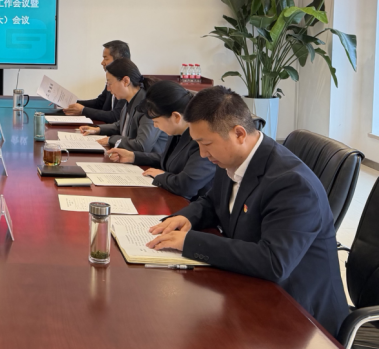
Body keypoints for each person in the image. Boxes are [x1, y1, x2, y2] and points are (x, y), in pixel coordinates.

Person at [147, 86, 349, 336]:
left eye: (206, 143)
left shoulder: (293, 184)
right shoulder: (231, 158)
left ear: (239, 134)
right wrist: (185, 217)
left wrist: (190, 242)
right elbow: (213, 202)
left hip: (301, 319)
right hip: (254, 291)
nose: (202, 154)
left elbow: (273, 262)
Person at [104, 81, 217, 200]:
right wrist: (133, 156)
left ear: (176, 117)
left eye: (156, 121)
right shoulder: (177, 132)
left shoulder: (201, 140)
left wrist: (161, 176)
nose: (155, 126)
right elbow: (168, 159)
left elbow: (186, 185)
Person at [79, 58, 167, 154]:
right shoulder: (130, 100)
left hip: (149, 161)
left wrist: (111, 139)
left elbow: (142, 146)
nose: (108, 89)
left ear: (126, 81)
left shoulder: (148, 105)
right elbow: (121, 125)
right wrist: (98, 129)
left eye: (110, 83)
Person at [63, 40, 129, 123]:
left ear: (119, 60)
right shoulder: (113, 78)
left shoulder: (126, 83)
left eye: (106, 58)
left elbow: (115, 116)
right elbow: (99, 103)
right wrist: (71, 103)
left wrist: (83, 110)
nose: (102, 63)